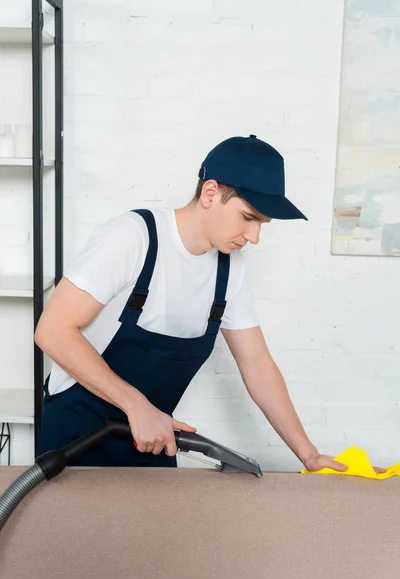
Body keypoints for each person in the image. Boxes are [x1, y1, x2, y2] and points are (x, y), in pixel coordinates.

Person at [35, 134, 385, 474]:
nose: (255, 237)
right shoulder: (134, 237)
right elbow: (52, 332)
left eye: (262, 224)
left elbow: (257, 364)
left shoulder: (229, 270)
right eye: (248, 218)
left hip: (153, 441)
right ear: (210, 192)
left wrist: (308, 454)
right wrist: (135, 405)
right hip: (75, 439)